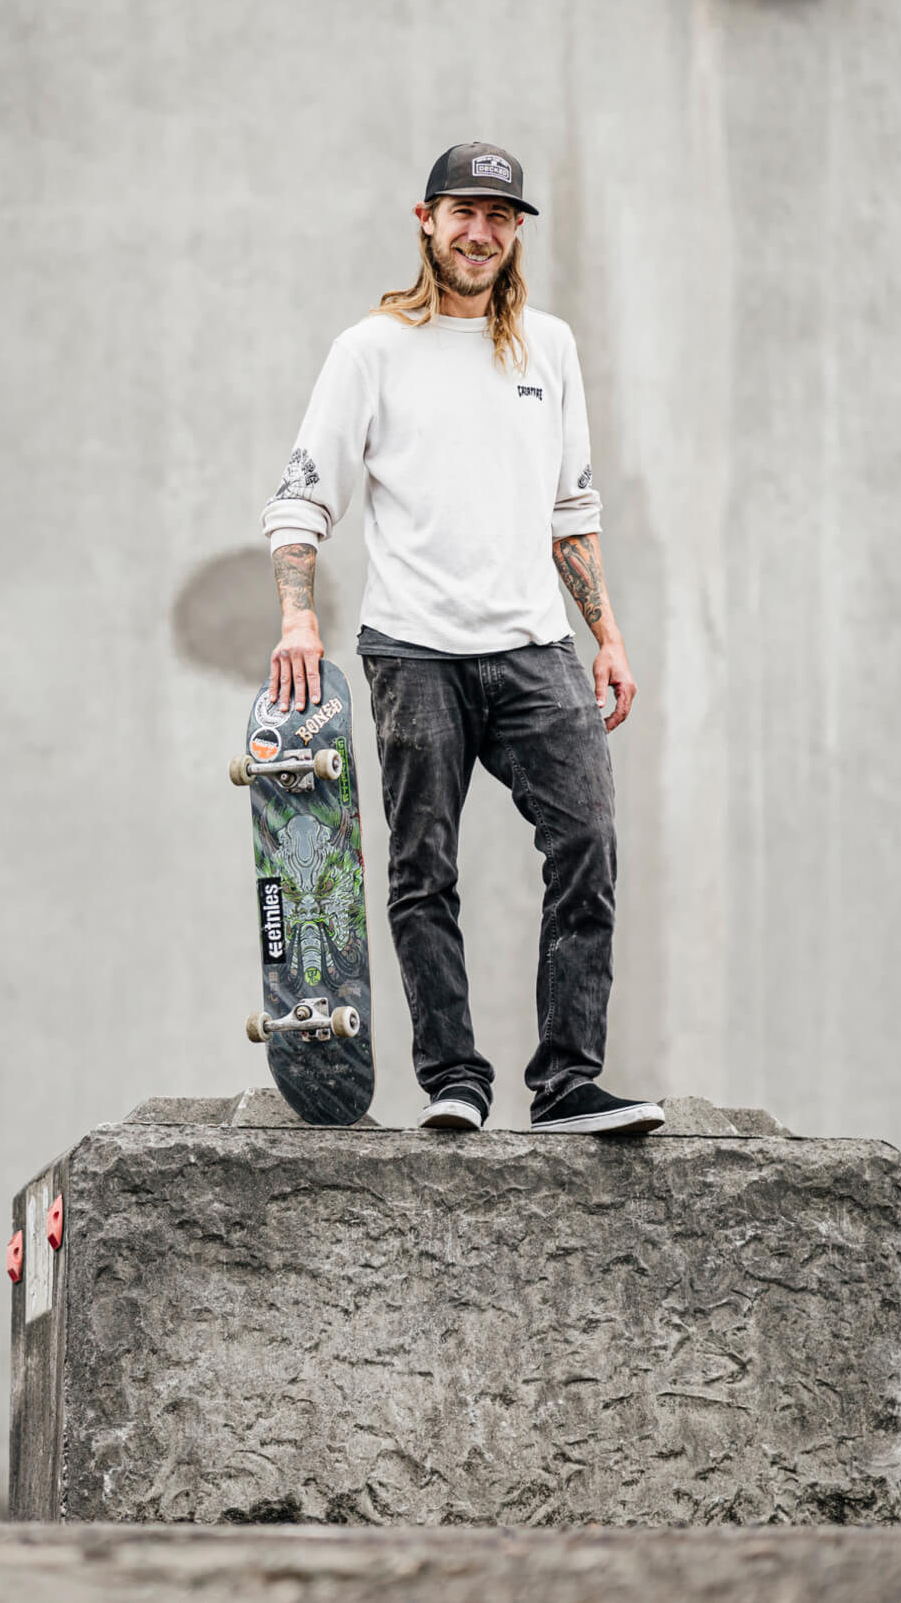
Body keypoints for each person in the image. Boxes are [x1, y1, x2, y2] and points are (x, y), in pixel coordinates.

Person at [260, 141, 663, 1136]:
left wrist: (604, 635)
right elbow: (301, 499)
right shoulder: (371, 350)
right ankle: (455, 1081)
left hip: (534, 648)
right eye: (463, 213)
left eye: (500, 216)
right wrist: (297, 616)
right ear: (425, 220)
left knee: (586, 843)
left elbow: (572, 508)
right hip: (412, 651)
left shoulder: (549, 350)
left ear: (515, 231)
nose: (480, 232)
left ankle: (567, 1080)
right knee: (420, 867)